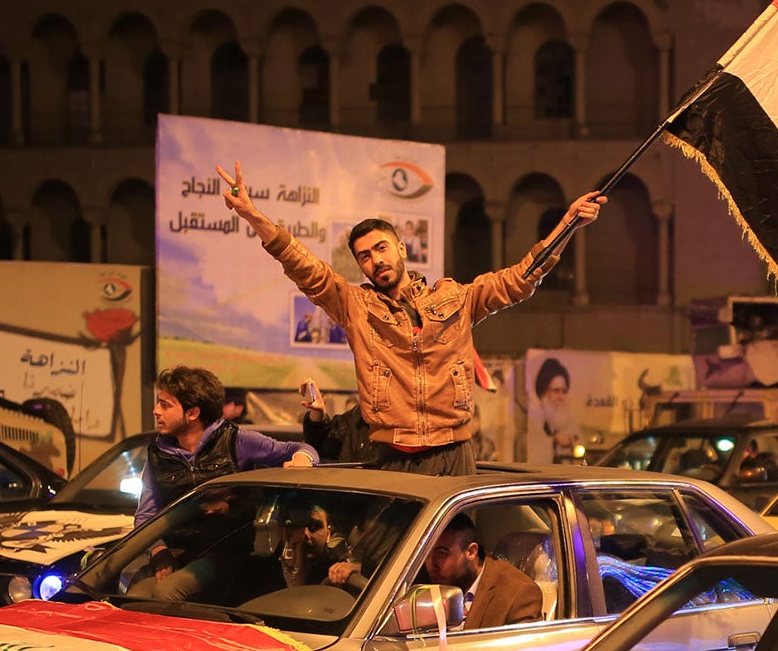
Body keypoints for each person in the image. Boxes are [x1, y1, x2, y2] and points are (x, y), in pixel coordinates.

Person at [219, 156, 604, 475]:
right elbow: (306, 269)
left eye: (381, 248)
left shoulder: (455, 298)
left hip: (454, 450)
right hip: (394, 454)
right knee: (395, 560)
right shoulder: (357, 306)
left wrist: (567, 223)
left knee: (456, 555)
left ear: (402, 248)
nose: (375, 260)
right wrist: (253, 215)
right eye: (365, 257)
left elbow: (520, 278)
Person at [135, 365, 316, 526]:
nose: (156, 411)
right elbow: (145, 517)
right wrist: (159, 552)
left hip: (227, 556)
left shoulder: (236, 441)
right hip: (175, 554)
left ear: (192, 413)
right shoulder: (158, 455)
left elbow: (301, 449)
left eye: (165, 405)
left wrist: (302, 458)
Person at [420, 514, 540, 629]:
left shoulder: (518, 594)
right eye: (426, 553)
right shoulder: (418, 580)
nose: (430, 564)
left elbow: (520, 649)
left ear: (471, 552)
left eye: (442, 554)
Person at [533, 357, 579, 463]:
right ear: (543, 393)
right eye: (556, 391)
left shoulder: (569, 420)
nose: (561, 396)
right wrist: (553, 440)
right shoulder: (534, 421)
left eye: (564, 391)